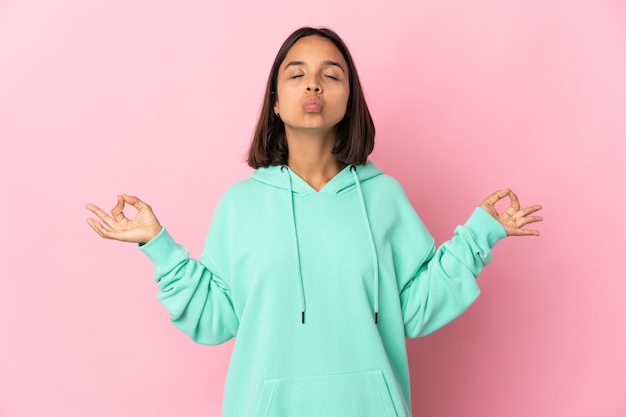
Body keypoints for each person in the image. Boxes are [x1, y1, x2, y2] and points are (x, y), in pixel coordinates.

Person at [86, 27, 542, 417]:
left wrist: (480, 236)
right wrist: (158, 244)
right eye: (297, 74)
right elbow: (215, 319)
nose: (314, 86)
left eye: (331, 74)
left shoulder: (384, 198)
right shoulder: (240, 206)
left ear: (350, 99)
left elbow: (417, 310)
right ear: (276, 102)